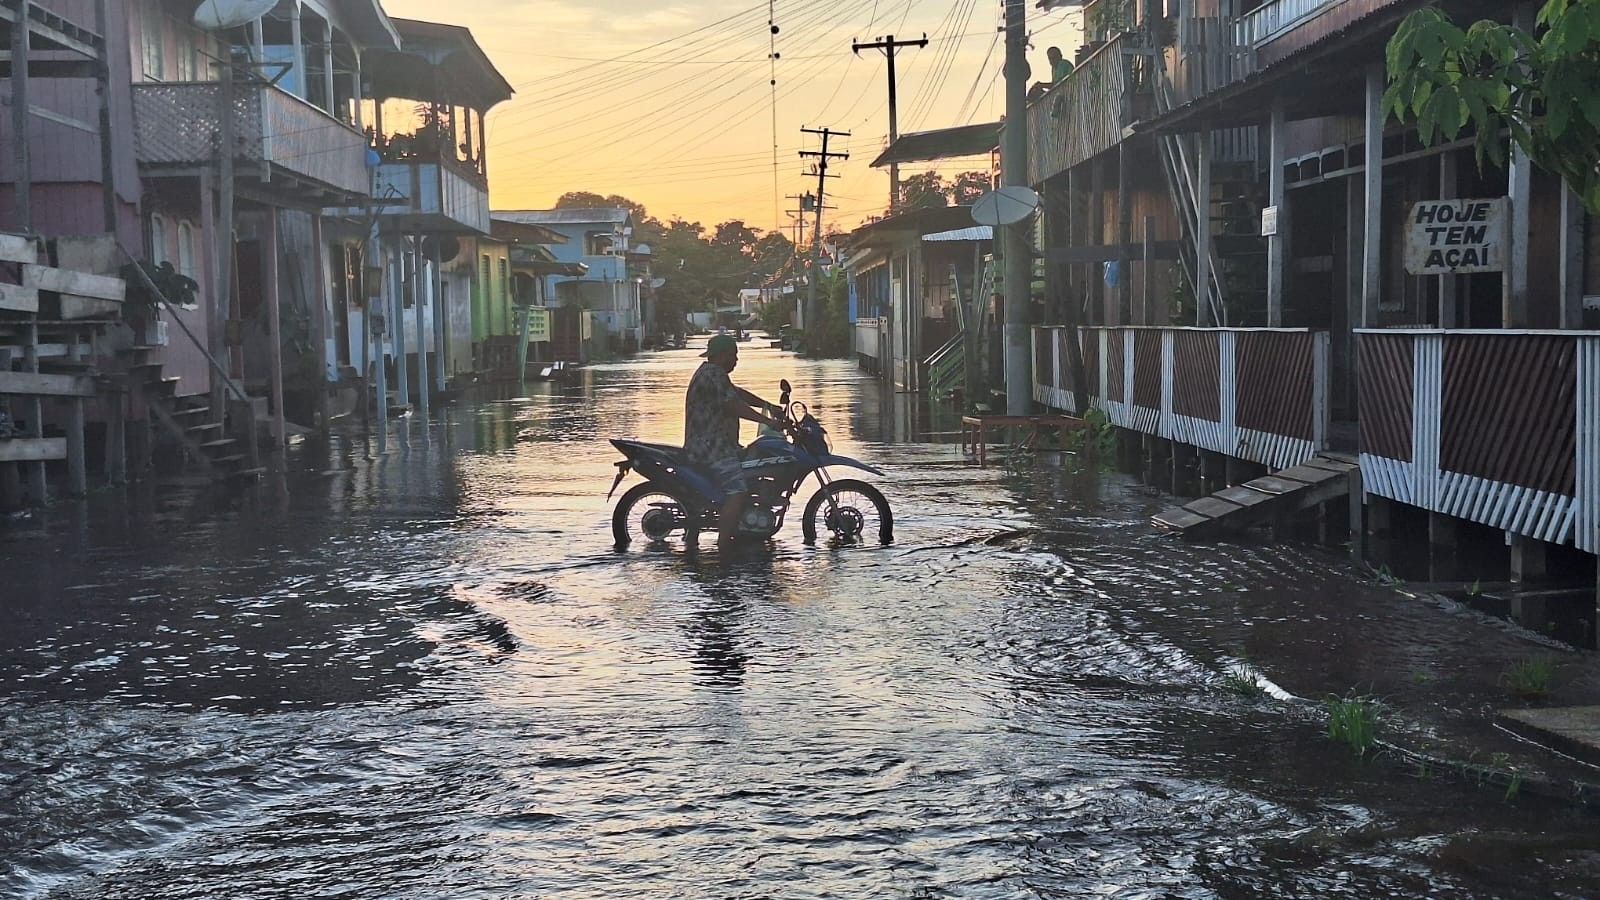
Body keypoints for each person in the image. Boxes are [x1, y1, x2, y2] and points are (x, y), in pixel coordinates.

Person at [684, 334, 785, 548]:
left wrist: (768, 405)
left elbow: (738, 394)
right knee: (738, 490)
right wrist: (768, 421)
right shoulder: (713, 374)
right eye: (734, 355)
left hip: (718, 444)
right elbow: (734, 406)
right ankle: (723, 547)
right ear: (722, 356)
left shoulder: (713, 374)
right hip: (710, 448)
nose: (736, 360)